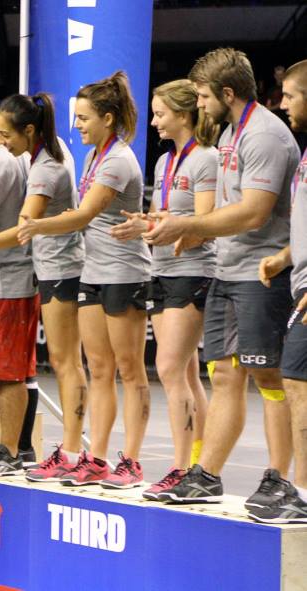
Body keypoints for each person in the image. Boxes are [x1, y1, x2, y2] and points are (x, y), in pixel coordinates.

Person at [146, 48, 300, 506]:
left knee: (270, 378)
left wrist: (190, 227)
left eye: (202, 95)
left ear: (227, 93)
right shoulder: (233, 132)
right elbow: (221, 213)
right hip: (227, 270)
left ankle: (279, 478)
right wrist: (178, 228)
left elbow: (254, 212)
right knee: (226, 378)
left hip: (263, 272)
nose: (199, 103)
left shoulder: (266, 136)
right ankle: (206, 475)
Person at [0, 92, 88, 480]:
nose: (3, 142)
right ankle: (25, 449)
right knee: (31, 369)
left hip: (29, 275)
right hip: (40, 270)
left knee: (31, 369)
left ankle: (26, 451)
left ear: (28, 130)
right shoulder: (42, 157)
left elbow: (22, 229)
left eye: (7, 134)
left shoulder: (38, 166)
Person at [17, 72, 151, 489]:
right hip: (93, 271)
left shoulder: (117, 159)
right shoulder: (95, 156)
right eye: (75, 118)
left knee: (131, 371)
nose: (76, 126)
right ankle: (96, 459)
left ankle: (131, 461)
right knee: (100, 369)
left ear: (108, 119)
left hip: (124, 272)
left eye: (83, 118)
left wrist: (35, 226)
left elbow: (83, 215)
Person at [109, 79, 219, 499]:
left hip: (193, 271)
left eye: (160, 114)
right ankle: (198, 465)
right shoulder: (165, 162)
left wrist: (162, 231)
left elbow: (207, 224)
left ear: (185, 114)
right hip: (162, 269)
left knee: (171, 369)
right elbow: (165, 216)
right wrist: (144, 224)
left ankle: (181, 467)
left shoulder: (206, 160)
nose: (153, 121)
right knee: (186, 373)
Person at [254, 59, 307, 523]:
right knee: (295, 381)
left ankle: (304, 495)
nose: (282, 102)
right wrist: (284, 256)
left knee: (295, 381)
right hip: (299, 280)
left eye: (291, 95)